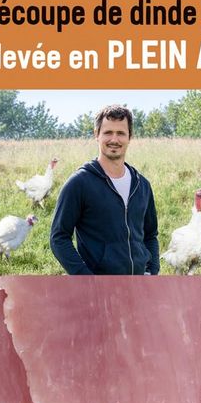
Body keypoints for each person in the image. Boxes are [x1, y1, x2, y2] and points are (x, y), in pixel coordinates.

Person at [50, 104, 159, 275]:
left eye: (121, 133)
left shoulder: (142, 185)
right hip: (99, 286)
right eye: (108, 132)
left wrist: (152, 271)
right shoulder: (79, 183)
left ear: (130, 137)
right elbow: (59, 238)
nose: (114, 139)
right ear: (97, 134)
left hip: (139, 284)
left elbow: (150, 235)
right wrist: (86, 279)